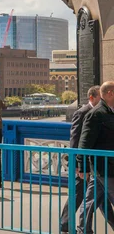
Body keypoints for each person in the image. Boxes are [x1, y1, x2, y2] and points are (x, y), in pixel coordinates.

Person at [60, 85, 111, 232]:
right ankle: (65, 224)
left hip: (97, 165)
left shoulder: (103, 113)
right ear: (92, 98)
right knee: (78, 195)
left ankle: (82, 228)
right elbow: (75, 139)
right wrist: (77, 163)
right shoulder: (82, 112)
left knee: (100, 200)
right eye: (99, 98)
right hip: (85, 165)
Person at [77, 81, 114, 234]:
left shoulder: (109, 112)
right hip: (105, 167)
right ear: (110, 93)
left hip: (104, 168)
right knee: (90, 201)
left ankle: (83, 230)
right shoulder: (96, 114)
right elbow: (84, 143)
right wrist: (83, 167)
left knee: (90, 201)